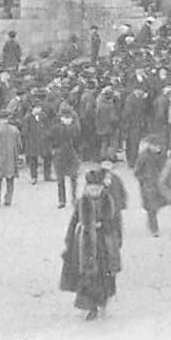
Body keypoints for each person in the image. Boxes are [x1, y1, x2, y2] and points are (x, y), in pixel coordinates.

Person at [60, 169, 119, 321]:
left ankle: (102, 302)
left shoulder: (108, 201)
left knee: (104, 274)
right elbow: (73, 222)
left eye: (97, 189)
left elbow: (115, 223)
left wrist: (114, 237)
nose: (94, 192)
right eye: (91, 189)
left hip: (103, 243)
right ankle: (90, 306)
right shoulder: (81, 202)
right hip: (85, 243)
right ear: (86, 188)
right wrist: (69, 241)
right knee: (87, 275)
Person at [0, 110, 21, 208]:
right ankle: (8, 200)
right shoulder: (15, 130)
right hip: (11, 158)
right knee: (10, 180)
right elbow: (19, 145)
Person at [134, 135, 167, 235]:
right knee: (151, 206)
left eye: (159, 146)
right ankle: (154, 228)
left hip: (160, 184)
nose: (158, 148)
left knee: (158, 204)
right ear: (150, 146)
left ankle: (151, 221)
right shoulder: (144, 156)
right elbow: (137, 170)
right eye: (155, 146)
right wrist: (143, 180)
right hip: (148, 185)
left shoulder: (162, 156)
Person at [51, 104, 81, 209]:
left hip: (72, 154)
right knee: (60, 178)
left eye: (69, 117)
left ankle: (73, 197)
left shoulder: (75, 127)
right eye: (65, 117)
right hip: (59, 154)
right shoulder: (56, 126)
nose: (67, 119)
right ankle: (62, 200)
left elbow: (78, 138)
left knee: (74, 176)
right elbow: (52, 137)